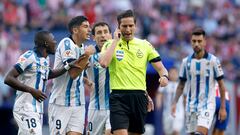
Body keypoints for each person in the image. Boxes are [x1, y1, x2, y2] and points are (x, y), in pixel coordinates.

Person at [99, 10, 169, 135]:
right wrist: (115, 41)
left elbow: (161, 68)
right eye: (124, 26)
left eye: (130, 26)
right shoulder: (110, 44)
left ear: (135, 27)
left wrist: (164, 76)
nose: (127, 29)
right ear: (118, 27)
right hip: (118, 97)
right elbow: (104, 63)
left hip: (139, 98)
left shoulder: (145, 45)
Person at [4, 30, 77, 135]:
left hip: (37, 109)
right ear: (46, 43)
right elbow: (8, 78)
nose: (55, 42)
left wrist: (68, 66)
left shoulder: (45, 60)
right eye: (53, 40)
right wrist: (31, 90)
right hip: (25, 107)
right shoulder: (29, 56)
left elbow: (49, 74)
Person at [171, 27, 227, 135]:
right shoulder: (185, 62)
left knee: (199, 133)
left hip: (207, 106)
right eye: (194, 41)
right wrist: (174, 102)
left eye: (199, 41)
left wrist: (223, 107)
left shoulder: (213, 61)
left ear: (205, 42)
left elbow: (221, 85)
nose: (196, 44)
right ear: (191, 42)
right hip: (190, 107)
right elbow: (181, 85)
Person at [48, 16, 94, 135]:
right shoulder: (66, 43)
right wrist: (87, 55)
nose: (89, 30)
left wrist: (85, 80)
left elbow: (77, 74)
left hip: (78, 103)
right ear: (75, 30)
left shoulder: (82, 48)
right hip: (60, 103)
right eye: (85, 26)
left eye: (89, 27)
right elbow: (73, 73)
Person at [85, 22, 112, 135]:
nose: (103, 35)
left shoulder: (118, 53)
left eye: (106, 32)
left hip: (114, 107)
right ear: (94, 37)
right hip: (95, 108)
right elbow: (74, 72)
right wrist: (86, 80)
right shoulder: (89, 54)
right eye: (99, 33)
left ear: (110, 35)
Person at [156, 67, 185, 135]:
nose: (173, 75)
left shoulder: (182, 85)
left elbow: (185, 97)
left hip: (179, 112)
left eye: (175, 73)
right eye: (171, 73)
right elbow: (159, 94)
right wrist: (158, 103)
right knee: (167, 132)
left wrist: (186, 108)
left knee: (176, 130)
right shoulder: (165, 84)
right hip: (167, 112)